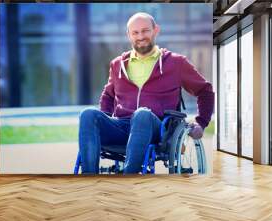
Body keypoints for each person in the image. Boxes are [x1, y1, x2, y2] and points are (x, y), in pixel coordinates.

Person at [78, 12, 214, 174]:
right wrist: (104, 119)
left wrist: (201, 123)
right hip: (122, 126)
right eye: (135, 32)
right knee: (87, 114)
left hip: (157, 129)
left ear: (156, 30)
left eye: (145, 31)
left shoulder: (176, 63)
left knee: (142, 114)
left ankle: (130, 177)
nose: (140, 36)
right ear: (129, 35)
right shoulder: (118, 64)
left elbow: (205, 90)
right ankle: (89, 179)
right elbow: (108, 95)